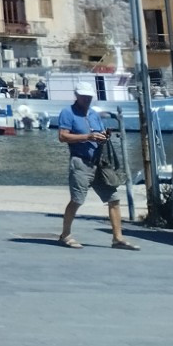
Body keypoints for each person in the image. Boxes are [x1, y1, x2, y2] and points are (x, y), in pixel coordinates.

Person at [57, 83, 140, 249]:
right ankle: (65, 235)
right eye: (84, 96)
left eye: (89, 96)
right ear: (77, 96)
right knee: (77, 200)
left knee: (114, 199)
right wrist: (87, 136)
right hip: (80, 162)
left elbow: (100, 134)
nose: (87, 99)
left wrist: (104, 136)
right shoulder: (68, 113)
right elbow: (63, 136)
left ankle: (118, 238)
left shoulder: (94, 114)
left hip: (99, 163)